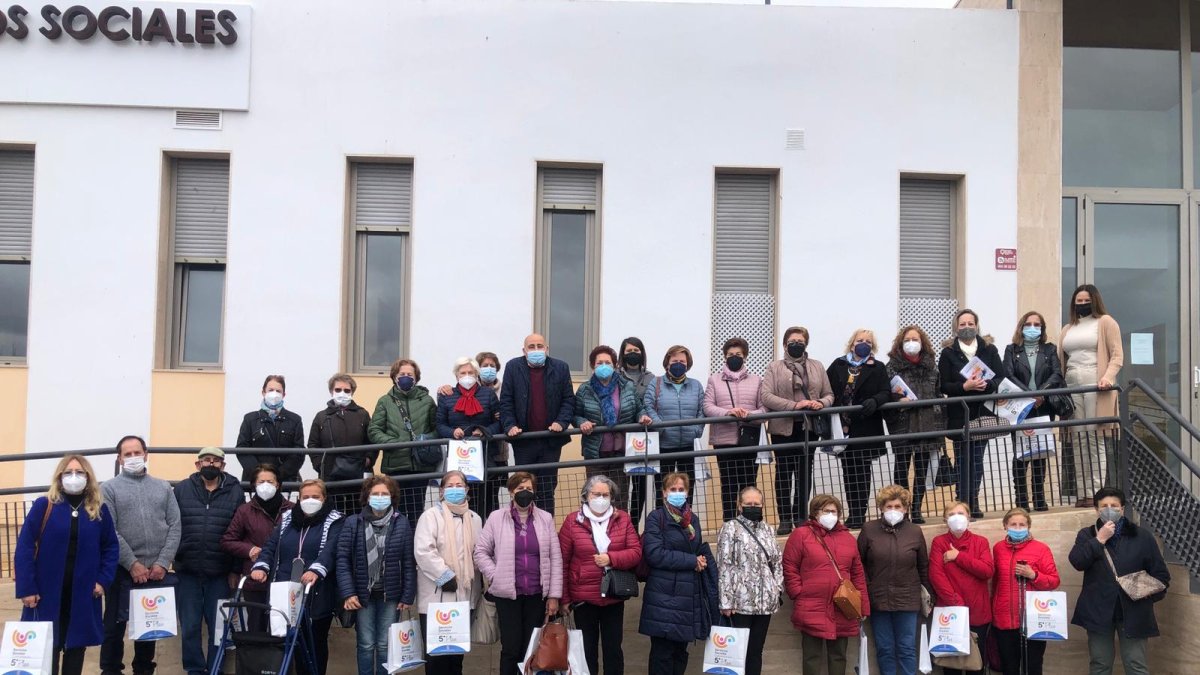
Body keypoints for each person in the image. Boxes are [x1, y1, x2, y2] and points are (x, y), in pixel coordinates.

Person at [15, 455, 118, 675]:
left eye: (79, 472)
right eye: (68, 472)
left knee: (75, 650)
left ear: (88, 477)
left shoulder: (99, 509)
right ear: (59, 477)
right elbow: (24, 547)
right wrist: (27, 588)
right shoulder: (45, 505)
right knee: (46, 650)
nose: (74, 476)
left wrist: (103, 581)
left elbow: (110, 547)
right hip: (45, 594)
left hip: (83, 593)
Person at [99, 435, 181, 675]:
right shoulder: (109, 488)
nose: (133, 457)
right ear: (119, 458)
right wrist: (132, 563)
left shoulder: (163, 486)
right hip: (121, 570)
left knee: (149, 625)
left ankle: (144, 670)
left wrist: (163, 562)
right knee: (114, 626)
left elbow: (175, 525)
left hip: (156, 572)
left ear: (146, 454)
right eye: (128, 454)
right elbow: (109, 530)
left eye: (137, 452)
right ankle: (111, 670)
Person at [1068, 488, 1169, 675]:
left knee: (1136, 665)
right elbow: (1077, 562)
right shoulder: (1087, 534)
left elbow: (1161, 576)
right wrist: (1099, 540)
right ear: (1096, 510)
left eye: (1114, 506)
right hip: (1098, 611)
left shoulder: (1142, 536)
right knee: (1100, 664)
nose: (1109, 509)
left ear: (1122, 509)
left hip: (1134, 610)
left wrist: (1142, 595)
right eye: (1104, 506)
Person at [250, 479, 346, 675]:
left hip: (316, 591)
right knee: (286, 641)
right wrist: (261, 566)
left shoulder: (336, 520)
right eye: (306, 497)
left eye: (315, 497)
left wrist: (316, 569)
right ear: (299, 499)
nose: (310, 500)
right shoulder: (287, 519)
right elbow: (271, 546)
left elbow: (332, 550)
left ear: (324, 498)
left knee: (315, 642)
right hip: (285, 589)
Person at [473, 472, 563, 675]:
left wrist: (554, 596)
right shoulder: (496, 518)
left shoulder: (545, 518)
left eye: (529, 489)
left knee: (530, 649)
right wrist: (495, 574)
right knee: (511, 649)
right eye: (521, 489)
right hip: (507, 595)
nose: (525, 493)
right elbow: (480, 552)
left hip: (536, 594)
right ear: (511, 492)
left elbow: (555, 558)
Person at [558, 475, 643, 675]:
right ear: (586, 495)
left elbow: (636, 552)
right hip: (583, 599)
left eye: (606, 494)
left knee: (613, 650)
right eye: (597, 494)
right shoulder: (572, 521)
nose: (601, 498)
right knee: (587, 652)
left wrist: (611, 559)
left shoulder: (623, 519)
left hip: (614, 596)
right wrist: (565, 598)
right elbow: (562, 561)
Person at [638, 472, 719, 675]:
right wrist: (691, 561)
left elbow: (697, 547)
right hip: (663, 596)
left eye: (681, 489)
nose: (677, 493)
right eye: (672, 489)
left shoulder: (694, 520)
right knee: (662, 654)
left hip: (688, 596)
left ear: (687, 492)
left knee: (680, 653)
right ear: (664, 493)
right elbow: (655, 554)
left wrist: (701, 560)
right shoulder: (656, 518)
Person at [336, 475, 417, 675]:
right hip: (362, 596)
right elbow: (343, 560)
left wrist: (408, 595)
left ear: (392, 497)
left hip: (390, 595)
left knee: (384, 644)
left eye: (384, 494)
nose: (380, 497)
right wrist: (348, 592)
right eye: (375, 494)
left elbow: (408, 561)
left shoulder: (401, 523)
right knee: (365, 644)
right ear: (367, 497)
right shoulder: (353, 523)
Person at [172, 447, 243, 675]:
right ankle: (194, 669)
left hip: (220, 573)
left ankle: (216, 669)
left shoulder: (235, 491)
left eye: (216, 461)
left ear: (223, 465)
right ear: (197, 465)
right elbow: (172, 525)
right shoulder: (182, 489)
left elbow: (239, 532)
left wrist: (235, 569)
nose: (210, 464)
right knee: (190, 626)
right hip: (187, 570)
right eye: (206, 460)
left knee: (219, 628)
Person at [782, 494, 870, 675]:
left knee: (838, 655)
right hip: (811, 605)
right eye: (826, 511)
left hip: (842, 606)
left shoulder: (847, 538)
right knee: (811, 656)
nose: (831, 515)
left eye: (834, 511)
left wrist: (862, 606)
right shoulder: (801, 535)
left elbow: (857, 574)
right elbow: (789, 566)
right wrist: (798, 593)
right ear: (815, 513)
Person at [760, 326, 834, 535]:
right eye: (792, 341)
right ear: (785, 344)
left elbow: (829, 393)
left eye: (800, 341)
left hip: (808, 428)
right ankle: (784, 518)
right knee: (783, 473)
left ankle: (801, 516)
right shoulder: (774, 367)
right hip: (782, 428)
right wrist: (794, 406)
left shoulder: (817, 366)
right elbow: (766, 396)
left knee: (804, 473)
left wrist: (820, 402)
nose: (796, 344)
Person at [1059, 284, 1123, 507]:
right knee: (1077, 439)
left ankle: (1096, 492)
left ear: (1094, 301)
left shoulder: (1106, 322)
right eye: (1078, 301)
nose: (1082, 304)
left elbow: (1117, 355)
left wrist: (1108, 377)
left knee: (1094, 438)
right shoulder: (1068, 328)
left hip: (1096, 381)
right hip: (1071, 382)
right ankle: (1082, 492)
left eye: (1086, 301)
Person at [414, 471, 484, 675]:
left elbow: (479, 552)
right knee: (436, 657)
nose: (455, 489)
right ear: (442, 491)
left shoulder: (475, 518)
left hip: (465, 596)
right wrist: (445, 576)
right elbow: (423, 550)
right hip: (437, 596)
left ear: (467, 489)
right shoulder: (430, 516)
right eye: (450, 485)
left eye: (459, 485)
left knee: (456, 656)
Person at [857, 485, 931, 675]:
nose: (893, 510)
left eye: (898, 506)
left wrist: (930, 596)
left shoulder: (914, 531)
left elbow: (923, 565)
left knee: (907, 648)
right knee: (885, 649)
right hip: (878, 599)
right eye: (889, 506)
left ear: (905, 508)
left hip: (908, 599)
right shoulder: (869, 529)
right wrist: (867, 588)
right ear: (881, 507)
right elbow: (858, 563)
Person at [499, 334, 576, 516]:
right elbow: (506, 401)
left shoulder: (560, 367)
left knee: (547, 490)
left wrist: (561, 422)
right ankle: (523, 531)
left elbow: (568, 400)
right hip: (523, 441)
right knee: (523, 489)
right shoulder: (513, 367)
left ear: (547, 349)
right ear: (524, 350)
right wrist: (510, 425)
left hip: (551, 441)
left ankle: (546, 533)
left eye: (539, 346)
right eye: (531, 346)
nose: (536, 350)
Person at [939, 309, 1005, 519]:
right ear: (956, 327)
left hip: (982, 412)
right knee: (962, 460)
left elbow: (1000, 378)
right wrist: (965, 386)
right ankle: (962, 503)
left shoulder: (989, 349)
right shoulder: (948, 353)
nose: (966, 327)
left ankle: (973, 501)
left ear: (977, 325)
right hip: (960, 414)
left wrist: (986, 385)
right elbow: (944, 384)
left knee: (977, 459)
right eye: (962, 324)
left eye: (970, 323)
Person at [826, 329, 891, 529]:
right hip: (843, 428)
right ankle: (852, 511)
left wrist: (875, 400)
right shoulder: (838, 364)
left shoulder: (878, 367)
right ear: (852, 343)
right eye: (860, 340)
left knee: (862, 472)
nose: (864, 343)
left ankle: (858, 513)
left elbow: (886, 391)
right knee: (848, 472)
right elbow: (826, 388)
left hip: (866, 426)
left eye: (868, 341)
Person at [574, 346, 652, 509]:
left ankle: (618, 533)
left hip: (621, 452)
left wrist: (642, 416)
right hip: (595, 452)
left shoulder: (627, 386)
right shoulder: (584, 390)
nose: (603, 366)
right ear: (592, 366)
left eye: (607, 362)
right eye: (599, 363)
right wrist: (582, 422)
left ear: (615, 365)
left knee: (619, 498)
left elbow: (639, 408)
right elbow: (575, 414)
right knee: (595, 497)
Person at [716, 486, 783, 675]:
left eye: (757, 504)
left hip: (764, 604)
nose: (753, 507)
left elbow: (777, 562)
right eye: (748, 504)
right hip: (740, 604)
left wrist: (776, 589)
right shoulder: (730, 529)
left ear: (762, 505)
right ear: (739, 505)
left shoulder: (768, 530)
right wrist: (726, 601)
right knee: (737, 654)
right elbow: (724, 566)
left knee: (755, 652)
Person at [1002, 311, 1065, 512]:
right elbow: (1008, 375)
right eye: (1028, 324)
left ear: (1042, 328)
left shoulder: (1049, 349)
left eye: (1037, 324)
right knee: (1021, 454)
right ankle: (1021, 500)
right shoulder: (1012, 350)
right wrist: (1029, 395)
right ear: (1021, 327)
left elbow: (1056, 374)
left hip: (1043, 406)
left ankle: (1039, 498)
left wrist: (1041, 394)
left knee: (1040, 451)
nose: (1032, 327)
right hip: (1021, 408)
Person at [220, 464, 292, 631]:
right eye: (261, 481)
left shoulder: (292, 510)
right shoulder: (245, 511)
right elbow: (227, 540)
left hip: (284, 579)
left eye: (270, 481)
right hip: (255, 578)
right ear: (254, 485)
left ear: (278, 484)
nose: (266, 485)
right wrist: (249, 549)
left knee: (283, 628)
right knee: (256, 627)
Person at [884, 325, 945, 523]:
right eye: (907, 339)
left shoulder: (932, 365)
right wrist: (897, 401)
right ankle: (902, 509)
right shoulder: (892, 366)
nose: (912, 343)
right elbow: (886, 392)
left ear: (922, 342)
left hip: (928, 424)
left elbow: (938, 391)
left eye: (915, 339)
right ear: (900, 343)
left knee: (922, 469)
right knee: (901, 469)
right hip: (903, 424)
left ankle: (917, 509)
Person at [369, 358, 441, 523]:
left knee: (416, 511)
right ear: (394, 376)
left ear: (416, 377)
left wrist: (425, 439)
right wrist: (394, 443)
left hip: (421, 466)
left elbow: (437, 429)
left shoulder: (427, 401)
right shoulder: (385, 401)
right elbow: (374, 430)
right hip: (395, 465)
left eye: (410, 374)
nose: (406, 377)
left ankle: (415, 545)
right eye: (402, 374)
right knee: (395, 512)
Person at [704, 337, 767, 522]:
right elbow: (707, 406)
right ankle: (729, 523)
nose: (734, 357)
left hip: (749, 439)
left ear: (745, 357)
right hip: (724, 441)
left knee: (749, 483)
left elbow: (764, 408)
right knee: (728, 484)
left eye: (738, 354)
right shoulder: (714, 380)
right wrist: (729, 412)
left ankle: (752, 522)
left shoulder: (757, 380)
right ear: (724, 356)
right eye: (731, 354)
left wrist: (749, 414)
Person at [991, 508, 1060, 675]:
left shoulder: (1041, 549)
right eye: (1013, 524)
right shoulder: (998, 548)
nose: (1018, 527)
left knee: (1033, 666)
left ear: (1029, 526)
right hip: (1004, 618)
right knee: (1009, 667)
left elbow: (1054, 581)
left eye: (1022, 524)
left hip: (1033, 619)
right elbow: (995, 582)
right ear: (1005, 526)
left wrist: (1033, 575)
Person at [928, 501, 994, 675]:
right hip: (950, 613)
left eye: (961, 513)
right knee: (951, 667)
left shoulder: (981, 542)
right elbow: (936, 576)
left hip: (978, 613)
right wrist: (957, 603)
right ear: (945, 519)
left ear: (969, 517)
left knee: (976, 666)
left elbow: (986, 571)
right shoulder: (939, 542)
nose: (957, 518)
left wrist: (958, 556)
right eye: (951, 514)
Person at [436, 356, 503, 518]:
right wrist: (452, 432)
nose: (467, 376)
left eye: (471, 372)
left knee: (486, 503)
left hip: (485, 458)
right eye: (463, 373)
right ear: (456, 376)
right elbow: (439, 425)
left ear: (476, 374)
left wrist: (485, 431)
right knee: (459, 501)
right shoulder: (447, 396)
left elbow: (499, 423)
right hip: (458, 459)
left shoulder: (488, 394)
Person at [643, 345, 705, 497]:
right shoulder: (656, 383)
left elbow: (702, 410)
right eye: (675, 360)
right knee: (662, 491)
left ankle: (686, 520)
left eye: (683, 361)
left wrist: (697, 430)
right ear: (667, 362)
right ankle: (662, 520)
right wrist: (661, 427)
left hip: (688, 446)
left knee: (686, 491)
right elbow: (648, 406)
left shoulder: (696, 385)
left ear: (688, 363)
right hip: (664, 445)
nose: (679, 363)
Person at [308, 373, 375, 511]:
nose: (342, 393)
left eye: (346, 390)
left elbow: (372, 441)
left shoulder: (362, 414)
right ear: (331, 391)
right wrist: (320, 465)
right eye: (338, 390)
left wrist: (368, 460)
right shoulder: (321, 417)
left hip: (357, 475)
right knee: (332, 513)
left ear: (352, 392)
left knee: (357, 513)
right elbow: (313, 444)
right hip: (330, 476)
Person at [236, 374, 306, 485]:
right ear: (263, 392)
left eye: (278, 391)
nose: (274, 394)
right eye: (270, 390)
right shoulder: (250, 419)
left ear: (284, 394)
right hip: (256, 481)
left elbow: (298, 452)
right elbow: (242, 449)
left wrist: (278, 475)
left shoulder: (294, 420)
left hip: (285, 481)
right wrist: (260, 474)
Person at [618, 336, 657, 528]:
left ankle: (634, 525)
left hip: (642, 439)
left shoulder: (651, 378)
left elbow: (652, 404)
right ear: (622, 354)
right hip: (620, 438)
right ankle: (621, 526)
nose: (632, 354)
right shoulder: (615, 375)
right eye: (628, 351)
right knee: (621, 485)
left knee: (640, 485)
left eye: (636, 350)